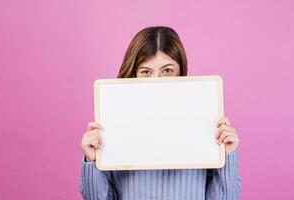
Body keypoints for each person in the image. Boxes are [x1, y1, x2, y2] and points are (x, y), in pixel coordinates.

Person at [79, 26, 241, 200]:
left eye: (167, 71)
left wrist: (227, 154)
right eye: (146, 72)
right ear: (134, 75)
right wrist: (93, 161)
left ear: (181, 73)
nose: (156, 81)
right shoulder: (115, 123)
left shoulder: (204, 121)